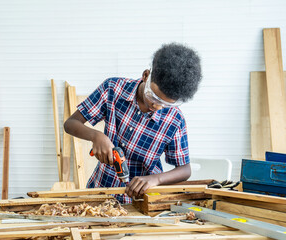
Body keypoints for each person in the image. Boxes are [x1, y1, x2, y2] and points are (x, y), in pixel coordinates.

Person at [64, 43, 202, 203]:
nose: (156, 106)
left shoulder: (174, 120)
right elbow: (71, 123)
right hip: (100, 192)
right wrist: (96, 136)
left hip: (141, 203)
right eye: (154, 97)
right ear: (146, 75)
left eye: (166, 104)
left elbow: (185, 170)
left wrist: (155, 179)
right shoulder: (113, 89)